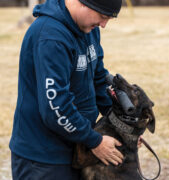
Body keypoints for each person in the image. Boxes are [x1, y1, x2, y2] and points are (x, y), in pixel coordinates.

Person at [9, 0, 124, 179]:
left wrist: (122, 126)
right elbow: (55, 106)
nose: (103, 25)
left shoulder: (88, 29)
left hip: (78, 147)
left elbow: (98, 78)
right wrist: (95, 141)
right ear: (84, 3)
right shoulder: (50, 36)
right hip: (43, 158)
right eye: (102, 17)